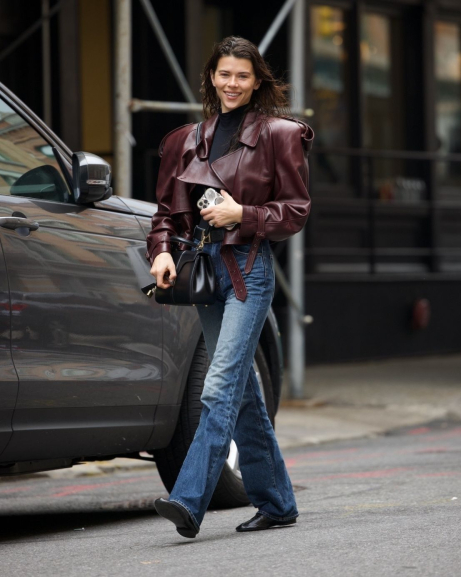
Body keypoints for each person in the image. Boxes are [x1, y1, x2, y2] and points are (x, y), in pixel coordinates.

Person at [146, 36, 313, 538]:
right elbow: (165, 214)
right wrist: (159, 251)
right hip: (202, 268)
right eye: (224, 74)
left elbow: (297, 211)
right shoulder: (184, 140)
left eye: (242, 75)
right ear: (211, 78)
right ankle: (278, 502)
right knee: (242, 397)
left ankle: (188, 500)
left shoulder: (281, 135)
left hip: (249, 268)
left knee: (218, 386)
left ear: (257, 79)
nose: (232, 83)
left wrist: (244, 213)